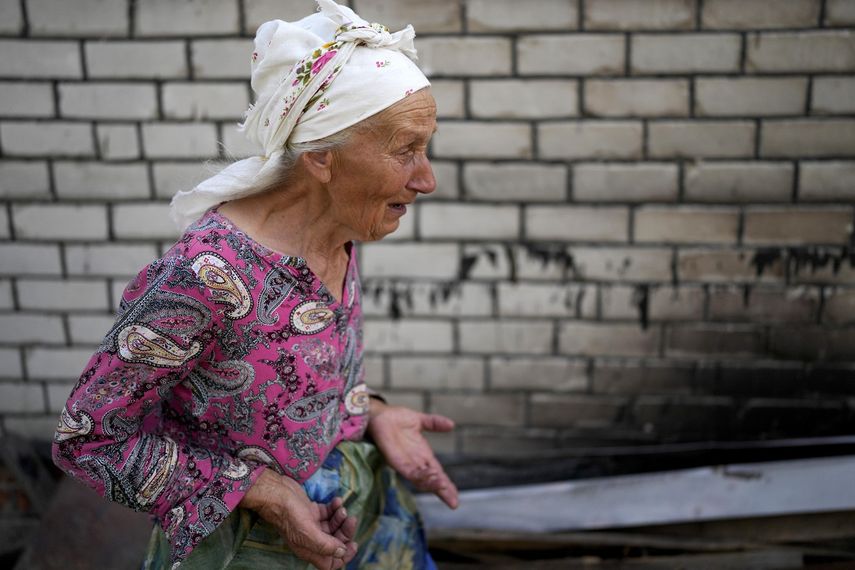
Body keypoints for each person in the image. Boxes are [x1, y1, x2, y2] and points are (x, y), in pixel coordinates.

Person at [51, 1, 458, 568]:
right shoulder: (205, 276)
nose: (427, 179)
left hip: (356, 512)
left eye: (426, 146)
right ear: (322, 157)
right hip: (245, 547)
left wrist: (373, 415)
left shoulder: (338, 229)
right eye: (405, 150)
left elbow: (296, 382)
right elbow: (88, 439)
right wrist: (261, 489)